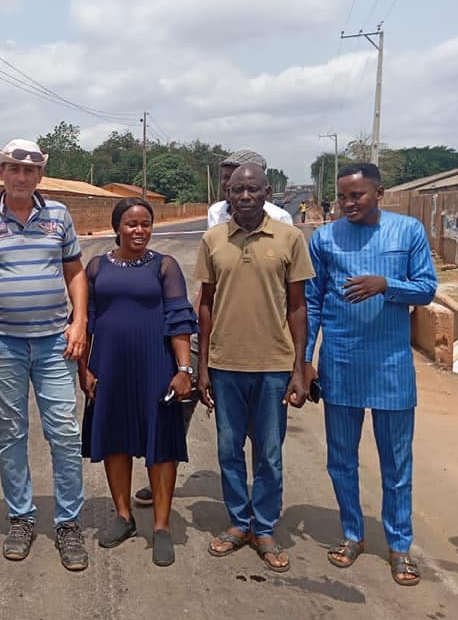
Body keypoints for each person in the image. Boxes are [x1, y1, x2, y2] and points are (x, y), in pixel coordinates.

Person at [133, 149, 297, 508]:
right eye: (227, 179)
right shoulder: (216, 215)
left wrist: (298, 361)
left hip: (263, 341)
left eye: (237, 178)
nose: (231, 187)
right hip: (212, 324)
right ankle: (166, 471)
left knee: (263, 437)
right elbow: (214, 279)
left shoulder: (283, 222)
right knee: (183, 395)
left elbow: (291, 295)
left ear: (263, 187)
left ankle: (262, 508)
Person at [0, 138, 90, 571]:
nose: (21, 176)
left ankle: (68, 523)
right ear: (0, 172)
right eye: (13, 168)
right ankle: (21, 517)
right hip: (1, 346)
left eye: (30, 170)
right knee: (11, 436)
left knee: (65, 435)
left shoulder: (59, 216)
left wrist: (80, 322)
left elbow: (74, 272)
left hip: (54, 341)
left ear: (40, 175)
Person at [304, 163, 437, 586]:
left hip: (391, 366)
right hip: (340, 362)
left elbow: (428, 287)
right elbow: (311, 302)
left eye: (357, 195)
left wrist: (387, 284)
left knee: (396, 462)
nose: (348, 203)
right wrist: (304, 362)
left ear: (379, 193)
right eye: (343, 196)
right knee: (341, 459)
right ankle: (351, 533)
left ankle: (399, 545)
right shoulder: (324, 238)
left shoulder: (408, 231)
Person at [196, 163, 314, 573]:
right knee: (229, 452)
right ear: (228, 192)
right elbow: (206, 305)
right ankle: (237, 523)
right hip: (225, 365)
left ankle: (264, 527)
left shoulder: (289, 238)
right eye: (237, 189)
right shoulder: (212, 239)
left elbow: (298, 307)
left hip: (273, 366)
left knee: (269, 453)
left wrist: (300, 368)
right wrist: (202, 366)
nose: (244, 196)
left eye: (252, 189)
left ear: (267, 192)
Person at [79, 198, 198, 566]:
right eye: (131, 224)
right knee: (116, 440)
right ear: (117, 227)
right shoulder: (97, 267)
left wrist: (183, 370)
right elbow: (84, 322)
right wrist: (84, 369)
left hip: (155, 365)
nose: (139, 230)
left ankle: (161, 526)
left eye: (145, 223)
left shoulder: (164, 266)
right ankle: (123, 516)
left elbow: (178, 320)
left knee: (160, 442)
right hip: (109, 366)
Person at [207, 150, 293, 227]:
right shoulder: (216, 212)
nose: (229, 184)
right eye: (226, 177)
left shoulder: (279, 218)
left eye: (235, 178)